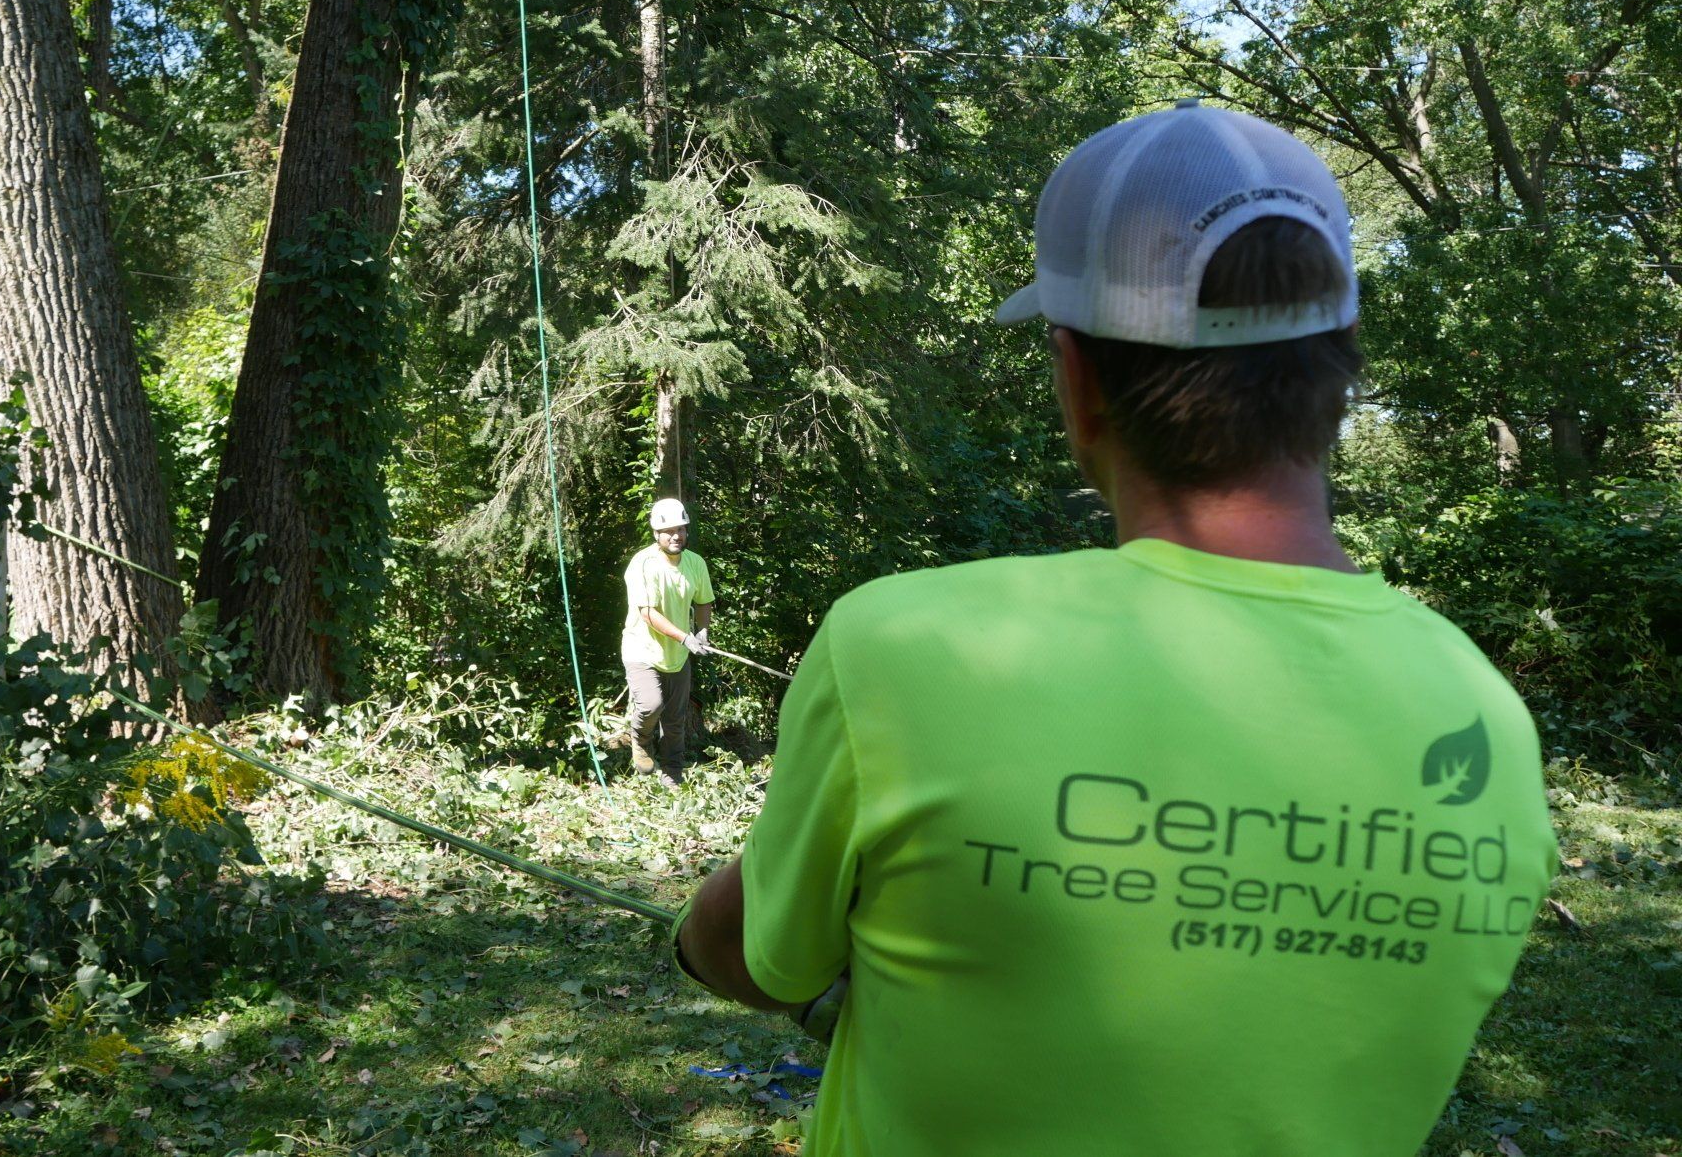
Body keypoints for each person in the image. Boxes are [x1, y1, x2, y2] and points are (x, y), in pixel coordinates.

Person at [671, 101, 1559, 1155]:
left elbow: (758, 960)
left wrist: (702, 933)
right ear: (1343, 361)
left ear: (1077, 377)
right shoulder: (1486, 718)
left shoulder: (906, 650)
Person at [622, 497, 715, 785]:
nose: (676, 536)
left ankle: (672, 776)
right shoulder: (642, 564)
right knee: (651, 705)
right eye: (668, 531)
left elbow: (703, 601)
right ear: (656, 534)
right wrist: (685, 637)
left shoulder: (695, 563)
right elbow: (648, 613)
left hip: (677, 655)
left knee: (675, 721)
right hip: (641, 649)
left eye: (680, 530)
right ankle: (640, 740)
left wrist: (702, 631)